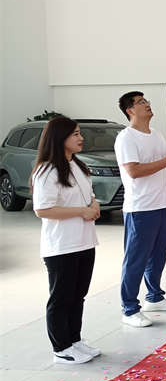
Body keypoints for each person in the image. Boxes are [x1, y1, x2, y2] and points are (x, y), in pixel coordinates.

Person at [115, 91, 166, 328]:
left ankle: (154, 297)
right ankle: (129, 308)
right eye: (141, 102)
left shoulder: (155, 134)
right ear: (130, 111)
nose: (147, 104)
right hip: (140, 208)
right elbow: (134, 171)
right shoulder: (126, 138)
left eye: (146, 100)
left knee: (158, 256)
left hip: (161, 204)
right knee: (136, 259)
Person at [32, 117, 101, 364]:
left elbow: (90, 196)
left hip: (85, 241)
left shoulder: (78, 165)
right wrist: (82, 212)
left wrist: (94, 206)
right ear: (59, 138)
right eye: (75, 134)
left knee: (78, 295)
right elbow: (42, 209)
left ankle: (74, 339)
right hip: (62, 246)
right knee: (61, 298)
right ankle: (61, 348)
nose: (81, 138)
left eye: (80, 133)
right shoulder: (47, 171)